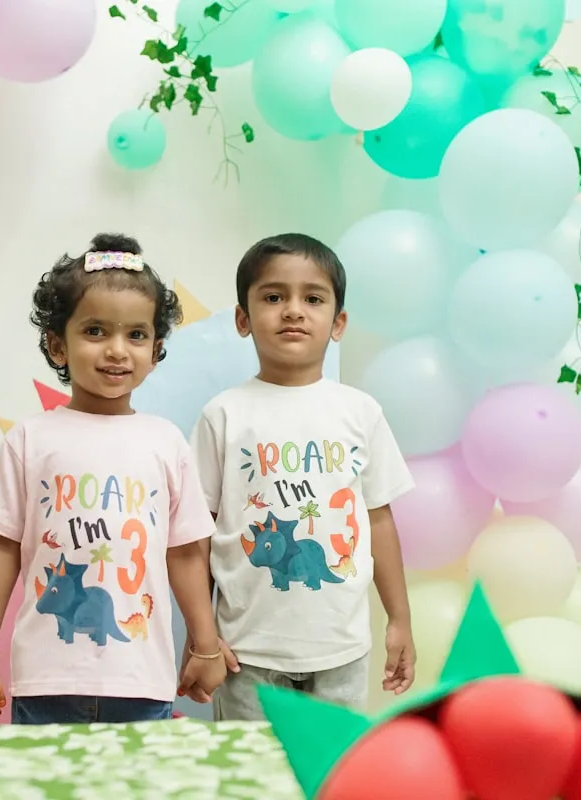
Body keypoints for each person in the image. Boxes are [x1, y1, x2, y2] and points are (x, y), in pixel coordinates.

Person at [0, 233, 226, 726]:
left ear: (157, 348)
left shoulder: (165, 442)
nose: (116, 350)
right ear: (57, 345)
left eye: (136, 335)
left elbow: (187, 552)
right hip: (45, 682)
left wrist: (206, 646)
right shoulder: (30, 439)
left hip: (142, 681)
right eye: (96, 331)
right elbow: (2, 548)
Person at [188, 233, 417, 721]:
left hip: (341, 648)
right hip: (245, 651)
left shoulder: (360, 411)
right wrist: (201, 633)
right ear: (243, 319)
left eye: (312, 299)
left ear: (338, 323)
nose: (293, 310)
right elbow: (198, 536)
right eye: (274, 297)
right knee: (250, 779)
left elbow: (378, 520)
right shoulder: (223, 415)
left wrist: (399, 618)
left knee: (332, 773)